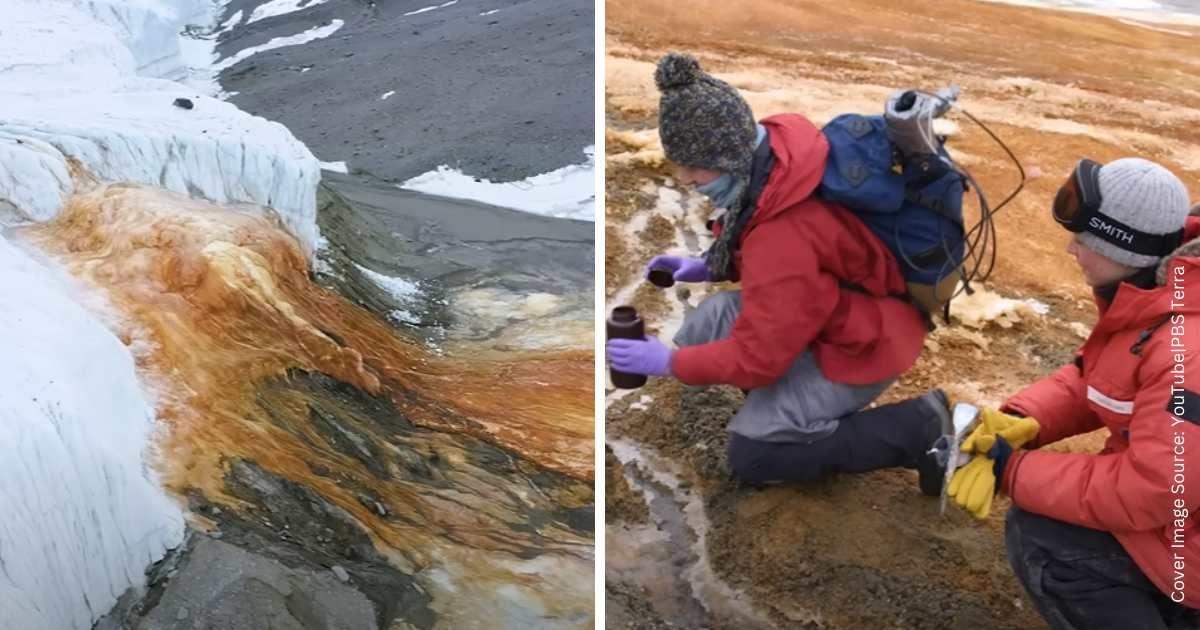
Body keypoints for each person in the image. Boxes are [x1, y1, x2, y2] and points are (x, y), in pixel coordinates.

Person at [606, 52, 951, 491]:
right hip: (831, 312)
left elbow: (758, 359)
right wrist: (706, 266)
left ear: (728, 154)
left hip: (865, 344)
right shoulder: (780, 152)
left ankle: (919, 427)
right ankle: (788, 407)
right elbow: (756, 225)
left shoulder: (783, 239)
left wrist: (670, 363)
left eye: (693, 165)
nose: (686, 178)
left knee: (754, 455)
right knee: (708, 324)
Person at [946, 157, 1200, 628]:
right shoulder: (1157, 293)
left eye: (1083, 240)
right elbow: (1099, 377)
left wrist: (1012, 470)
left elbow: (1155, 490)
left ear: (1121, 247)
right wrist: (1025, 418)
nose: (1070, 250)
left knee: (1046, 538)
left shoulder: (1188, 351)